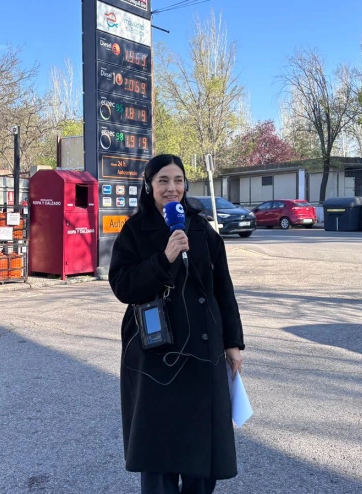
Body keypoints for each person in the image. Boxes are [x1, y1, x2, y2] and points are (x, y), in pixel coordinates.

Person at [109, 154, 245, 494]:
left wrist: (233, 343)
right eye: (163, 181)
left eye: (179, 180)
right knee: (159, 454)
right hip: (156, 353)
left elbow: (222, 288)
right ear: (149, 186)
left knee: (204, 456)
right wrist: (163, 258)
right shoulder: (134, 230)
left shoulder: (202, 229)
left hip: (203, 352)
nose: (172, 188)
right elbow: (123, 286)